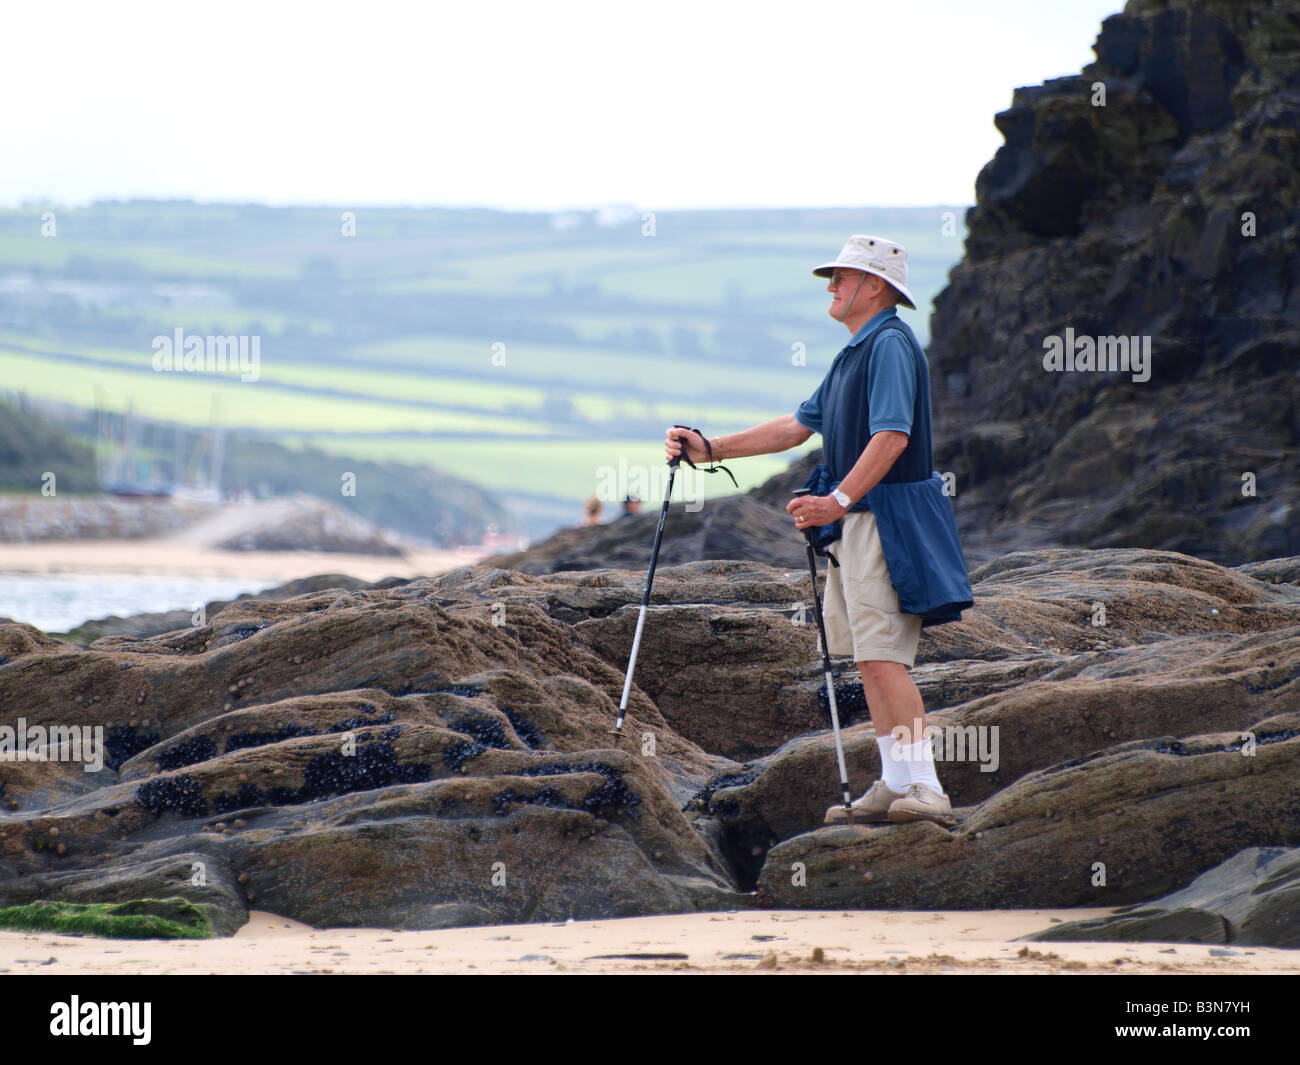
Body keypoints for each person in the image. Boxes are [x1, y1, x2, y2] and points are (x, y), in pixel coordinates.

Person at [665, 235, 959, 825]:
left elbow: (892, 438)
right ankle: (896, 782)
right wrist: (710, 448)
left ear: (875, 286)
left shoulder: (891, 346)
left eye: (842, 277)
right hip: (858, 524)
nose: (831, 286)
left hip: (884, 522)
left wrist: (837, 500)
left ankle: (927, 788)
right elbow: (798, 428)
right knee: (868, 659)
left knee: (883, 658)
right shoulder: (857, 351)